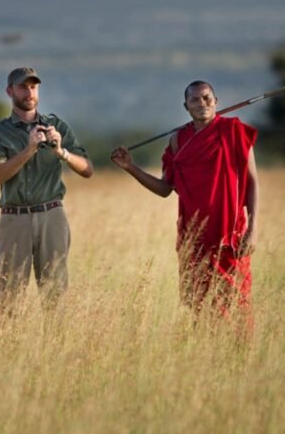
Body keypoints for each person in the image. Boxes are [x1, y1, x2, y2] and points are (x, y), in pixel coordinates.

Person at [110, 80, 258, 326]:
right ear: (186, 106)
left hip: (229, 236)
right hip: (194, 236)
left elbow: (252, 183)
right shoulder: (179, 141)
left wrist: (252, 230)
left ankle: (242, 359)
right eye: (195, 100)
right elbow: (164, 189)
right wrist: (130, 168)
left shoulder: (233, 131)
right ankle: (204, 356)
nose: (202, 103)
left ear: (216, 101)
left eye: (207, 98)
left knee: (237, 303)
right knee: (200, 305)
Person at [0, 67, 93, 314]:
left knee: (55, 293)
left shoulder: (56, 125)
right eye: (23, 87)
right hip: (14, 217)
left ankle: (54, 347)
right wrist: (29, 149)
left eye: (33, 87)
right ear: (9, 91)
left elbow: (87, 169)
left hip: (51, 214)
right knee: (8, 295)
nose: (29, 92)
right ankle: (7, 348)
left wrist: (61, 152)